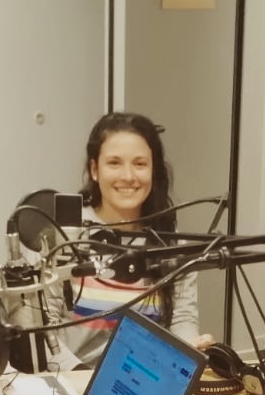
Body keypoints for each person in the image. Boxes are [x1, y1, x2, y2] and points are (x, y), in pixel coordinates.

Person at [55, 111, 208, 367]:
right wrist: (81, 378)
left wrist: (189, 346)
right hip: (72, 380)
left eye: (139, 164)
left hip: (143, 379)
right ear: (94, 169)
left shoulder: (170, 243)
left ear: (153, 170)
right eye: (114, 163)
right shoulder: (63, 235)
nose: (128, 176)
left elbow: (182, 318)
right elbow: (42, 332)